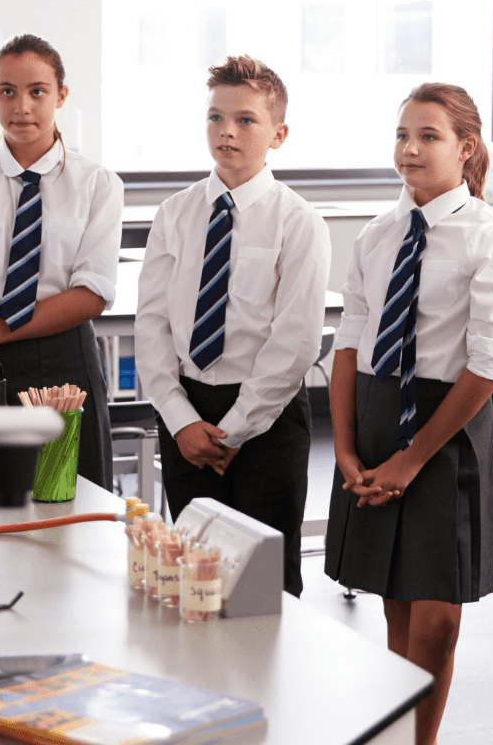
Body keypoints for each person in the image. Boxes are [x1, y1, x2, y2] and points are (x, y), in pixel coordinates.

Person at [324, 83, 493, 745]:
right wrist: (348, 449)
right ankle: (397, 734)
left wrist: (413, 460)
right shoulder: (377, 235)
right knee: (397, 603)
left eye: (429, 136)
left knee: (437, 619)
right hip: (378, 412)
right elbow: (350, 343)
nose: (409, 149)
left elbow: (490, 363)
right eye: (402, 135)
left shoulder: (489, 237)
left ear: (466, 148)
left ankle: (420, 742)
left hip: (446, 427)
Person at [135, 55, 332, 596]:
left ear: (279, 134)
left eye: (246, 120)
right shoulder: (174, 213)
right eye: (215, 118)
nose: (227, 131)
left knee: (265, 590)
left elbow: (294, 344)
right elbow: (152, 328)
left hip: (264, 424)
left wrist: (235, 430)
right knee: (196, 580)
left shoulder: (299, 222)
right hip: (187, 419)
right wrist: (182, 422)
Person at [0, 33, 122, 488]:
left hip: (63, 355)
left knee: (76, 499)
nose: (22, 107)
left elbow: (91, 295)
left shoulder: (98, 183)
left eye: (37, 92)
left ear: (61, 96)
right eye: (6, 92)